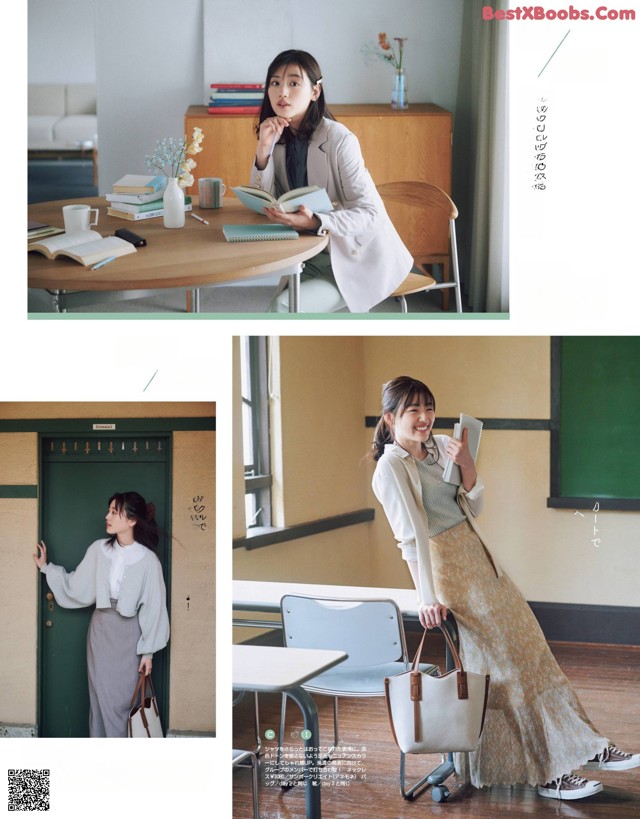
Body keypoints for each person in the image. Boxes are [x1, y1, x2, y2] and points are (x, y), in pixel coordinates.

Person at [370, 376, 639, 800]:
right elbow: (410, 541)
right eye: (413, 410)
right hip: (448, 571)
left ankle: (587, 745)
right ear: (390, 418)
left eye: (428, 408)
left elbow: (473, 505)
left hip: (481, 558)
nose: (424, 418)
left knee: (533, 653)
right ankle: (548, 772)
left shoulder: (441, 446)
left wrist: (468, 466)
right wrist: (427, 597)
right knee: (506, 671)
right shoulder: (390, 468)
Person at [251, 49, 413, 313]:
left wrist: (316, 221)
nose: (282, 92)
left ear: (315, 92)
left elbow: (369, 213)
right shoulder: (277, 136)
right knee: (277, 313)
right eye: (275, 83)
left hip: (354, 258)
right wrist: (263, 150)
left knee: (282, 308)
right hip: (308, 253)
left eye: (294, 83)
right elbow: (264, 202)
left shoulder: (340, 140)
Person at [33, 491, 170, 738]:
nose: (107, 516)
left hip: (130, 635)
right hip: (101, 631)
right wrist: (47, 569)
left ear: (132, 520)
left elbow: (154, 607)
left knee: (125, 700)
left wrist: (148, 652)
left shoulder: (149, 560)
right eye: (109, 510)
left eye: (114, 512)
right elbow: (77, 585)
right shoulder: (98, 549)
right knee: (100, 699)